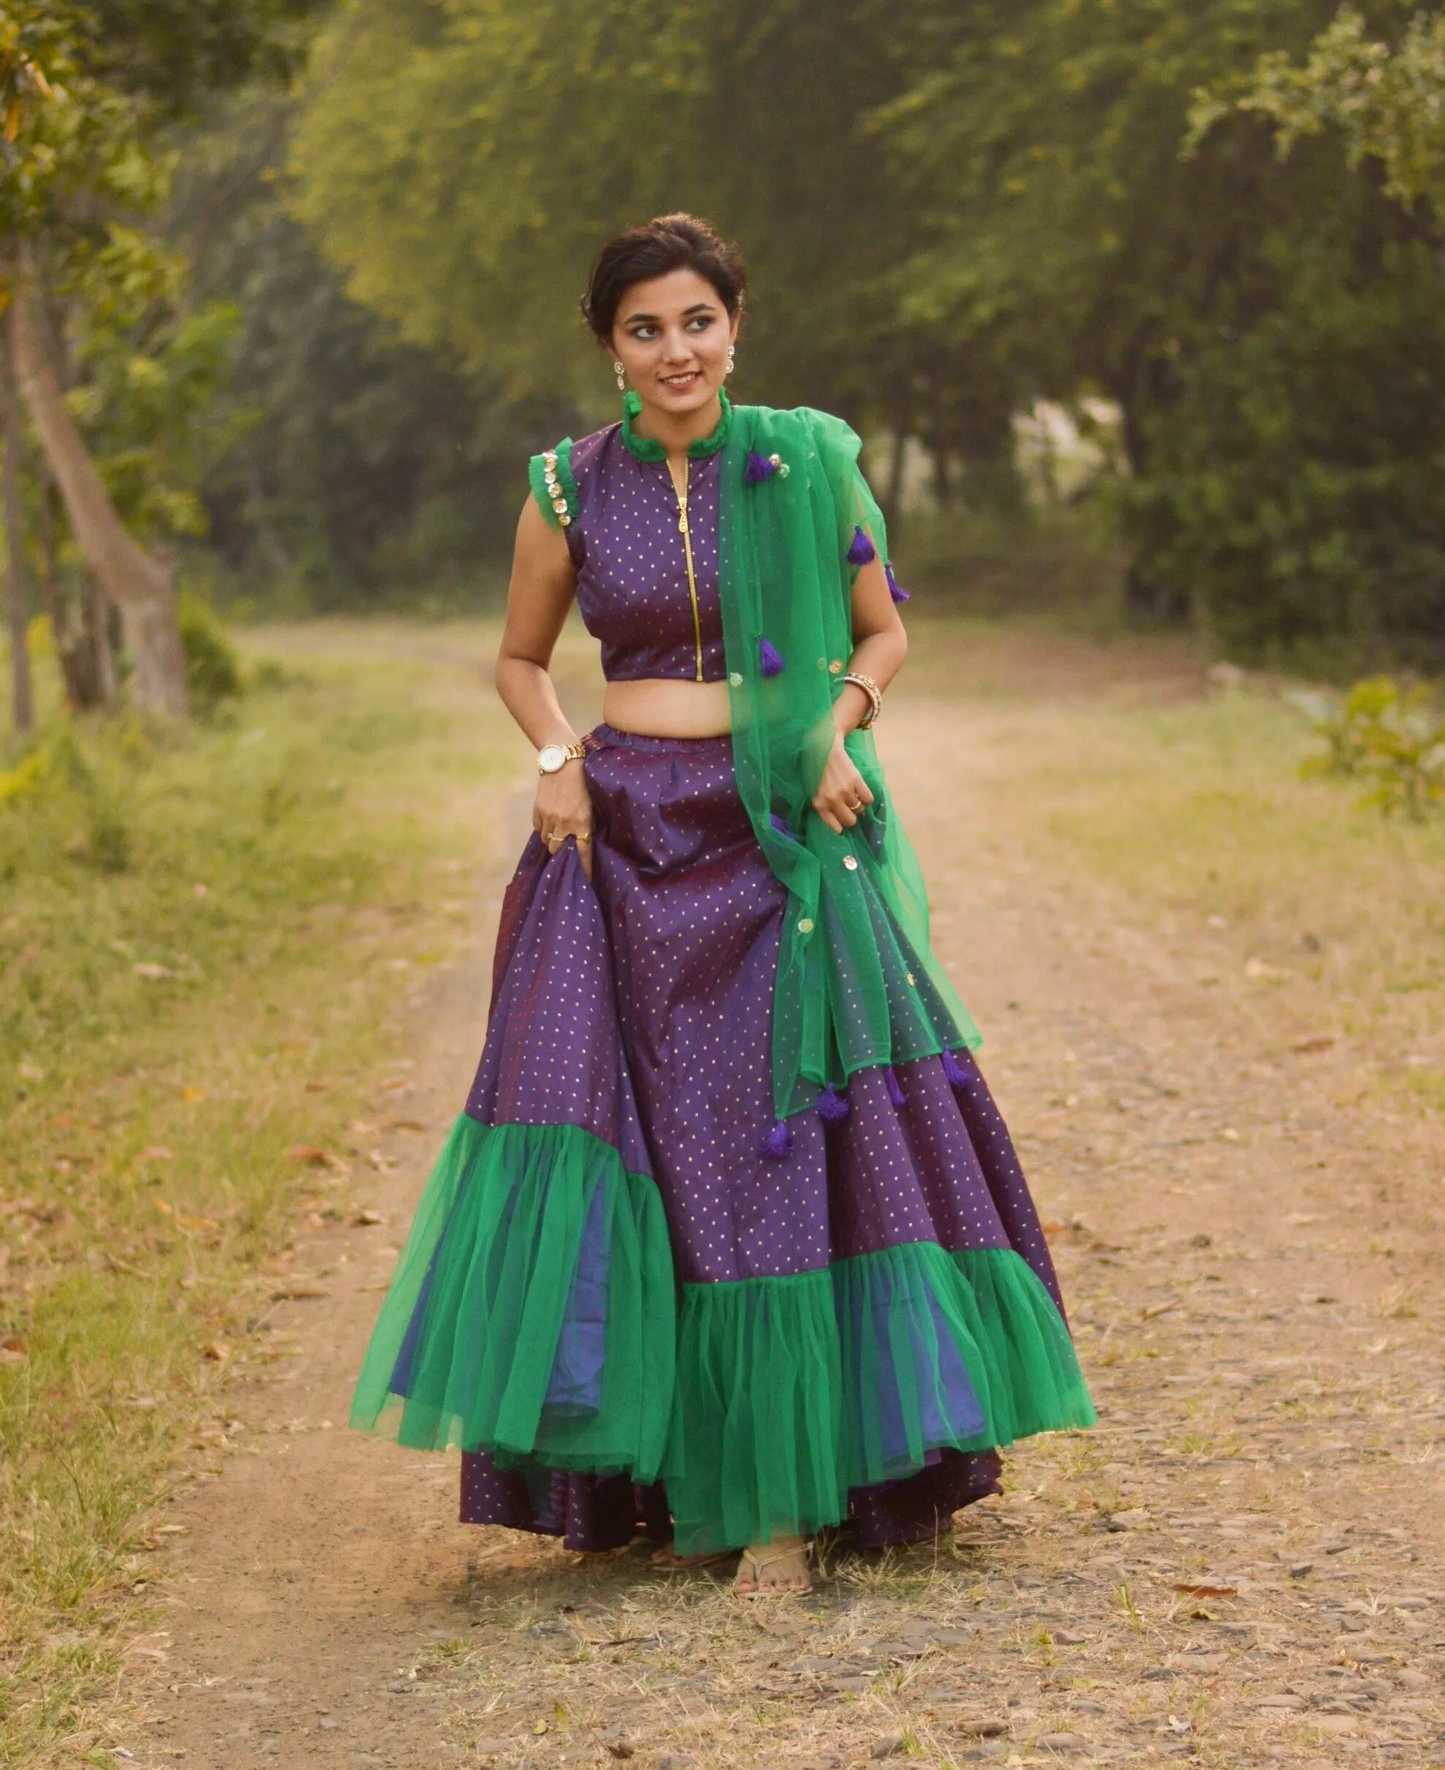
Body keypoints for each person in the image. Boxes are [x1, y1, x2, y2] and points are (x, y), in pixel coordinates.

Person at [349, 213, 1095, 1597]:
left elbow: (881, 628)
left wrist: (832, 731)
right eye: (645, 328)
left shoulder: (807, 458)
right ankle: (672, 1469)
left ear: (734, 323)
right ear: (609, 347)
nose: (676, 349)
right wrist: (557, 761)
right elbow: (520, 661)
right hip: (624, 834)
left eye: (696, 320)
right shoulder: (569, 487)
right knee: (642, 1132)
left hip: (784, 834)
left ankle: (801, 1484)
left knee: (781, 1137)